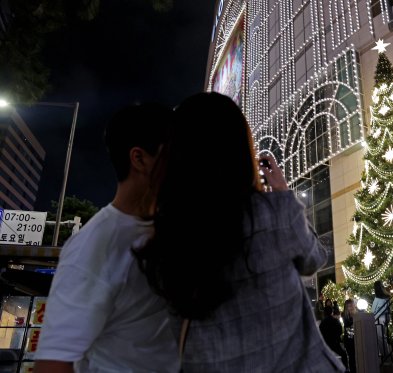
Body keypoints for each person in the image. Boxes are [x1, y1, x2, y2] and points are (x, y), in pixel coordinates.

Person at [135, 92, 345, 372]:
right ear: (240, 149)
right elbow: (315, 259)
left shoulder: (164, 242)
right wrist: (283, 194)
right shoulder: (272, 213)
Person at [34, 103, 180, 373]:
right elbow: (54, 363)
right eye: (176, 153)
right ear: (139, 159)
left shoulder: (171, 228)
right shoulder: (92, 245)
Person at [320, 306, 349, 371]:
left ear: (324, 313)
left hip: (326, 344)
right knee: (343, 354)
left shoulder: (322, 323)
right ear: (332, 312)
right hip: (335, 343)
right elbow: (340, 331)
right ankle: (346, 369)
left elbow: (320, 334)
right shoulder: (335, 321)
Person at [372, 280, 391, 356]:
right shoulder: (385, 297)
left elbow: (373, 310)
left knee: (380, 337)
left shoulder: (378, 298)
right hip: (380, 318)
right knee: (381, 337)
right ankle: (384, 353)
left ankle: (385, 354)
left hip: (379, 319)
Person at [342, 298, 357, 373]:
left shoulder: (356, 315)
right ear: (346, 307)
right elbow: (349, 330)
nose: (352, 307)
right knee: (352, 357)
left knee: (355, 357)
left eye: (352, 305)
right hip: (349, 340)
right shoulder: (346, 316)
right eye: (349, 305)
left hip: (356, 339)